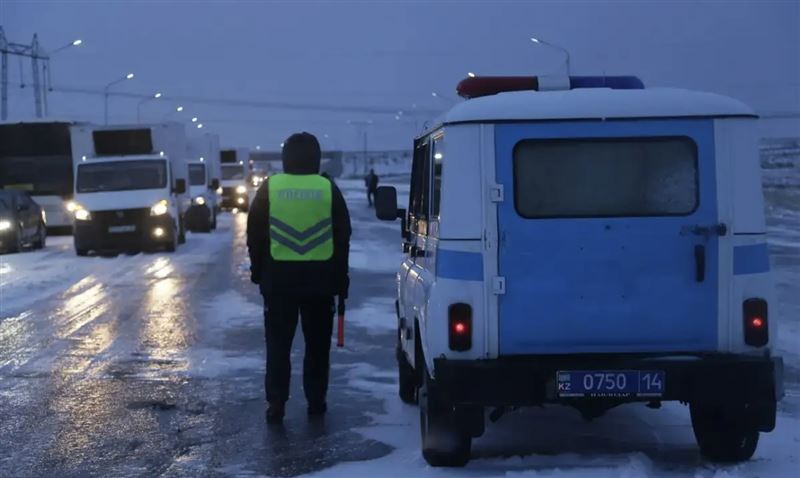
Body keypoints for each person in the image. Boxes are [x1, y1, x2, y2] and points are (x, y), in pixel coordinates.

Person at [247, 132, 351, 425]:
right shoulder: (327, 188)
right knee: (317, 347)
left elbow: (255, 233)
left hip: (278, 285)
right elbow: (342, 236)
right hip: (320, 285)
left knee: (278, 347)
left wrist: (258, 271)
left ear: (285, 158)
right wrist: (340, 278)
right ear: (316, 158)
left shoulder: (271, 187)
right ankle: (316, 401)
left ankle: (276, 404)